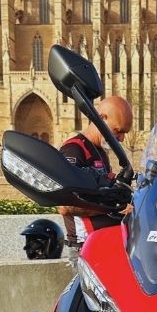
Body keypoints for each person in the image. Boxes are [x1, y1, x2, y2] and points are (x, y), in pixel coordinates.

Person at [57, 95, 134, 254]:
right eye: (117, 131)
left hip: (102, 241)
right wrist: (113, 208)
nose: (121, 138)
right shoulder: (74, 150)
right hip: (84, 247)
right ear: (101, 118)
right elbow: (64, 205)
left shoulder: (100, 153)